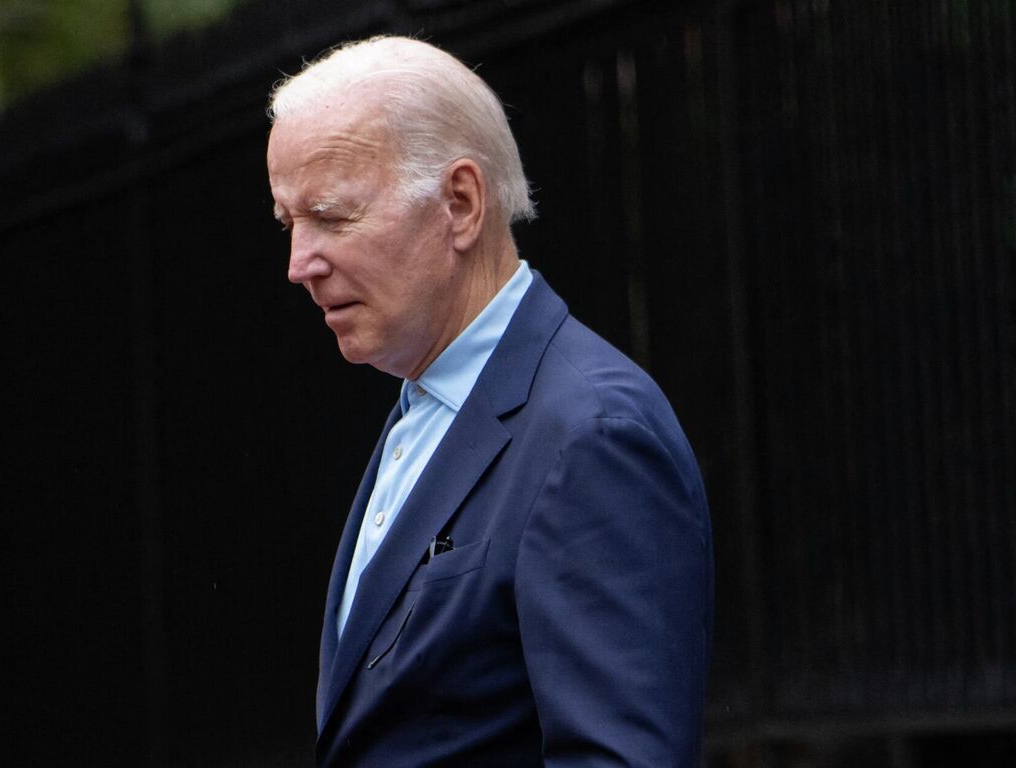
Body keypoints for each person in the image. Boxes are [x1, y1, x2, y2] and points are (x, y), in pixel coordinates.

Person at [266, 36, 713, 766]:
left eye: (333, 216)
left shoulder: (591, 433)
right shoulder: (428, 406)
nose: (299, 265)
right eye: (290, 223)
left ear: (462, 204)